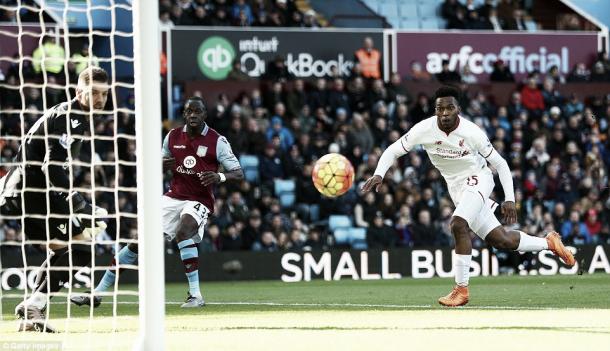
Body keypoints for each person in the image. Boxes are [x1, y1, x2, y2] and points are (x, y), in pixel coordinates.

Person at [361, 86, 575, 307]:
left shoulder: (472, 132)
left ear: (458, 110)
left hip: (478, 178)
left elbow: (500, 164)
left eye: (449, 108)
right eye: (439, 109)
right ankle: (549, 243)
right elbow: (393, 150)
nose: (444, 113)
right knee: (500, 240)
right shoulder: (423, 129)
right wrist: (379, 174)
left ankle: (461, 290)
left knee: (457, 224)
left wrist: (509, 198)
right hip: (456, 188)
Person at [71, 96, 244, 308]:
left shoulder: (217, 141)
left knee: (184, 230)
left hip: (199, 199)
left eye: (197, 112)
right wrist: (161, 164)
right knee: (137, 242)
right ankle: (97, 293)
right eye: (189, 111)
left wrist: (220, 177)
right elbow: (158, 164)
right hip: (173, 196)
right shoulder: (172, 137)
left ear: (204, 115)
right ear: (183, 114)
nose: (193, 115)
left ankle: (196, 295)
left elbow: (238, 172)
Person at [0, 67, 110, 332]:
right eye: (93, 93)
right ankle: (34, 304)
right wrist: (77, 202)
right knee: (82, 248)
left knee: (63, 251)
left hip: (25, 191)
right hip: (32, 192)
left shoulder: (75, 117)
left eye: (104, 94)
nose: (99, 99)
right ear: (78, 91)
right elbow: (52, 166)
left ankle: (31, 313)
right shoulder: (69, 117)